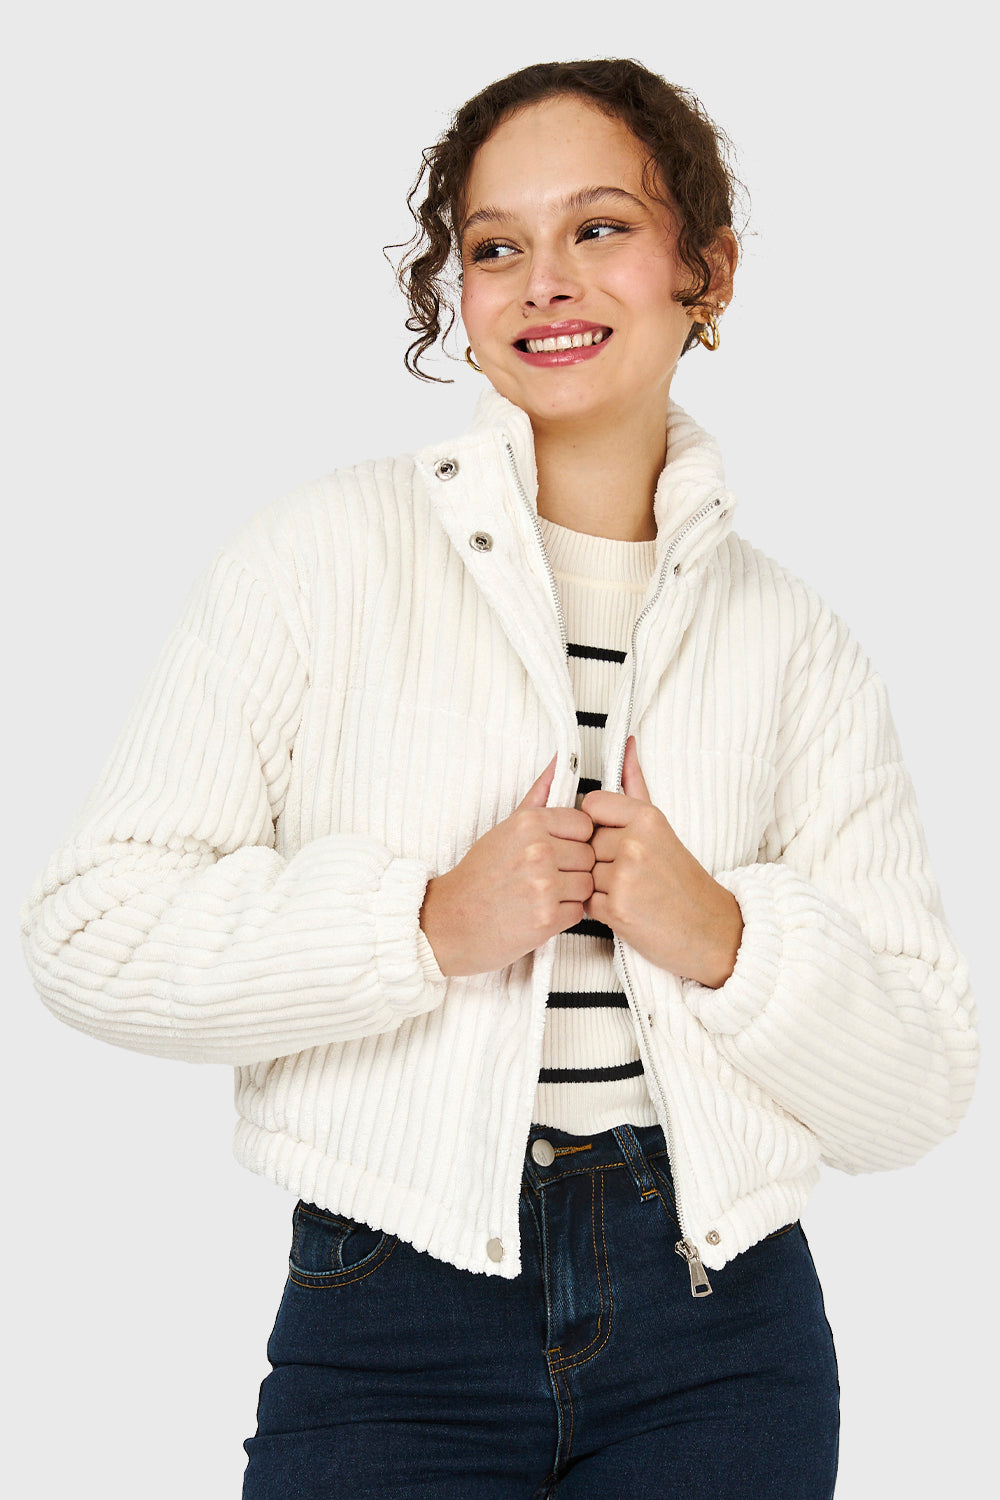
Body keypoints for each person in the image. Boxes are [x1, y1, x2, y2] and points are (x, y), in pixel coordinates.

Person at [20, 58, 978, 1500]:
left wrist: (724, 936)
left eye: (600, 227)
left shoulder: (799, 645)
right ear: (455, 293)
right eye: (494, 246)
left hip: (722, 1334)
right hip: (389, 1311)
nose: (546, 281)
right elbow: (89, 932)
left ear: (706, 271)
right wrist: (417, 927)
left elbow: (920, 1088)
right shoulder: (321, 559)